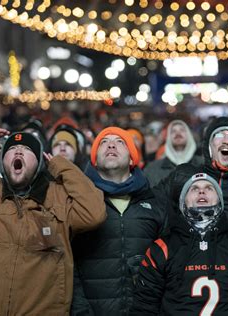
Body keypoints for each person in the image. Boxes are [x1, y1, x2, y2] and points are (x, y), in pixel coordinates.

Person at [0, 124, 106, 315]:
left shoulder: (58, 196)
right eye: (11, 149)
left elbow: (94, 213)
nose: (18, 150)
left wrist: (62, 166)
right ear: (3, 160)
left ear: (39, 162)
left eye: (27, 149)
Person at [129, 173, 228, 315]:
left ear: (220, 201)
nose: (201, 192)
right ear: (183, 203)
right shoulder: (161, 249)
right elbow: (144, 307)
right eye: (194, 189)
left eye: (209, 188)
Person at [71, 127, 167, 315]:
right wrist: (80, 310)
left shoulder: (152, 202)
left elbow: (167, 264)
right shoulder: (80, 202)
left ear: (132, 159)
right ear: (95, 160)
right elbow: (68, 264)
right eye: (104, 142)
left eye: (120, 142)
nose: (111, 145)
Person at [155, 117, 228, 237]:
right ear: (209, 144)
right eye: (219, 135)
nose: (226, 141)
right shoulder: (183, 175)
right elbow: (150, 206)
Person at [144, 120, 199, 187]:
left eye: (182, 130)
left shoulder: (202, 164)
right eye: (173, 131)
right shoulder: (152, 169)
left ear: (189, 135)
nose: (178, 133)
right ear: (168, 138)